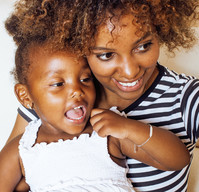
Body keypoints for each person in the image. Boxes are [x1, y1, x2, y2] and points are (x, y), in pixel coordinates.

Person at [4, 0, 199, 191]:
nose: (130, 72)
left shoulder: (186, 99)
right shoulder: (47, 100)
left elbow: (177, 158)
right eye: (105, 54)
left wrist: (131, 128)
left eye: (144, 46)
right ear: (79, 46)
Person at [0, 36, 190, 192]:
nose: (77, 90)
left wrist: (130, 128)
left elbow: (178, 159)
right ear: (25, 96)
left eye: (85, 79)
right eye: (58, 84)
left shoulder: (106, 131)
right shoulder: (22, 148)